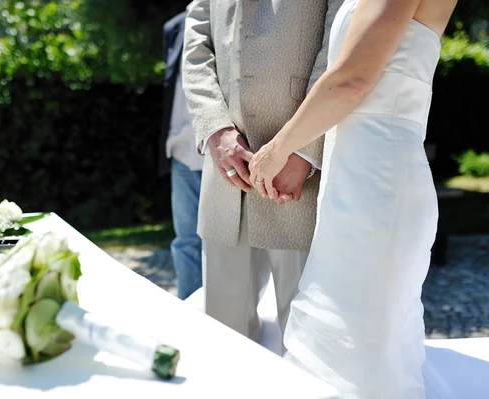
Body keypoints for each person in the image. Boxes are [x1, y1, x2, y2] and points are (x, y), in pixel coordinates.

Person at [248, 0, 457, 396]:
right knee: (348, 343)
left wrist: (277, 149)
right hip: (354, 182)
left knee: (359, 348)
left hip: (379, 186)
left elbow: (351, 81)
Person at [182, 0, 342, 353]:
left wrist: (303, 150)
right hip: (225, 178)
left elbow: (339, 47)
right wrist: (215, 129)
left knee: (305, 340)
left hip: (300, 182)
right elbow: (195, 48)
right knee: (223, 339)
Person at [160, 11, 204, 300]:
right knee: (185, 240)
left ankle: (225, 314)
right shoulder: (174, 26)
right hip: (182, 149)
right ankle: (188, 307)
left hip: (224, 149)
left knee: (230, 246)